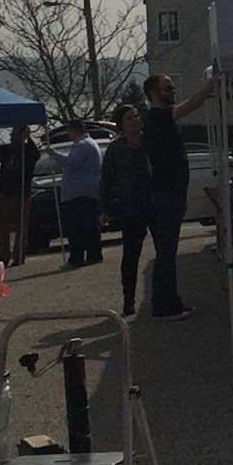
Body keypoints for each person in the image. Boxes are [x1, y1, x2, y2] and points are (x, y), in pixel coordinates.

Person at [137, 70, 213, 320]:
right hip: (167, 194)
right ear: (153, 94)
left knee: (168, 252)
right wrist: (211, 84)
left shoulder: (158, 119)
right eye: (167, 89)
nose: (173, 92)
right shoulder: (159, 117)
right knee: (166, 253)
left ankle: (172, 301)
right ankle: (163, 306)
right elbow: (191, 104)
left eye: (172, 88)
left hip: (170, 193)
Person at [100, 104, 154, 317]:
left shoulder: (149, 143)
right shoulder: (116, 149)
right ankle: (128, 299)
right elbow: (106, 180)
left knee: (165, 252)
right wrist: (103, 209)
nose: (135, 121)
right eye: (130, 118)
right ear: (121, 124)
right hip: (130, 207)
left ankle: (162, 297)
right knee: (131, 255)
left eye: (136, 117)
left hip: (153, 203)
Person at [0, 122, 39, 267]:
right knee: (2, 226)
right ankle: (3, 255)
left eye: (15, 133)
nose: (12, 136)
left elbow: (36, 154)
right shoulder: (6, 150)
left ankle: (19, 255)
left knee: (21, 227)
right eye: (12, 134)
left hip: (21, 194)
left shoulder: (28, 151)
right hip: (5, 194)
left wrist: (28, 138)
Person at [58, 126, 105, 268]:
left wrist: (54, 154)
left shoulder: (82, 145)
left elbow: (70, 164)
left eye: (70, 131)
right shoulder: (89, 143)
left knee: (76, 227)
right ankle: (94, 254)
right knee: (89, 225)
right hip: (87, 191)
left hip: (79, 193)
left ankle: (76, 258)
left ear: (76, 131)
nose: (68, 134)